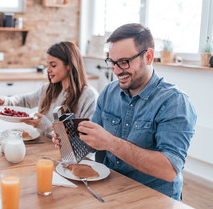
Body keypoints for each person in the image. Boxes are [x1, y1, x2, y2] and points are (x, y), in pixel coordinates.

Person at [53, 23, 196, 200]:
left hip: (154, 199)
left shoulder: (174, 102)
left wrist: (111, 142)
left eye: (124, 62)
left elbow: (169, 170)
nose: (116, 71)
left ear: (148, 57)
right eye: (112, 62)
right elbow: (93, 142)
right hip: (110, 190)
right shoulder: (109, 92)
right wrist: (70, 140)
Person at [0, 41, 98, 137]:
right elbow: (25, 101)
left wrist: (46, 125)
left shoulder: (88, 96)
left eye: (53, 65)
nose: (48, 70)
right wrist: (4, 101)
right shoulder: (48, 89)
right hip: (43, 145)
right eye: (48, 65)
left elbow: (84, 137)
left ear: (69, 65)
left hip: (67, 155)